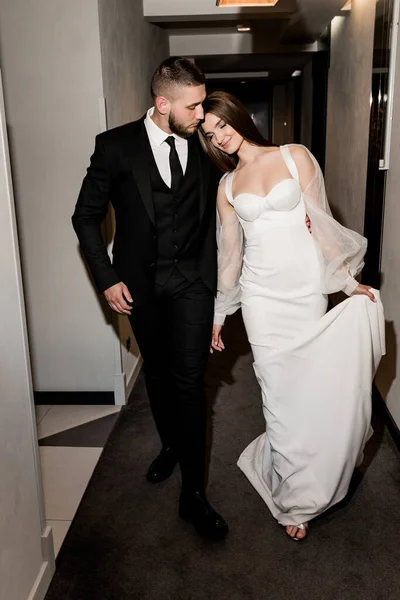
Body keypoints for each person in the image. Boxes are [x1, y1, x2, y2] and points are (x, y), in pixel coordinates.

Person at [199, 91, 385, 541]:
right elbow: (231, 257)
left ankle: (317, 464)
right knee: (278, 395)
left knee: (309, 388)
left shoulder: (294, 156)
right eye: (209, 135)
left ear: (237, 116)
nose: (220, 138)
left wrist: (345, 284)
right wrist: (221, 313)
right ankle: (295, 497)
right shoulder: (226, 188)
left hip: (303, 292)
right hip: (262, 299)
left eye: (222, 125)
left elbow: (320, 223)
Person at [72, 57, 228, 540]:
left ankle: (194, 495)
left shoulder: (205, 145)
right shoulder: (115, 146)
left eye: (202, 103)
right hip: (140, 287)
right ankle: (171, 446)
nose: (202, 114)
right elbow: (84, 217)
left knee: (189, 380)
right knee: (158, 374)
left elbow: (246, 179)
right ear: (163, 104)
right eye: (194, 105)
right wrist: (107, 277)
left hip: (194, 285)